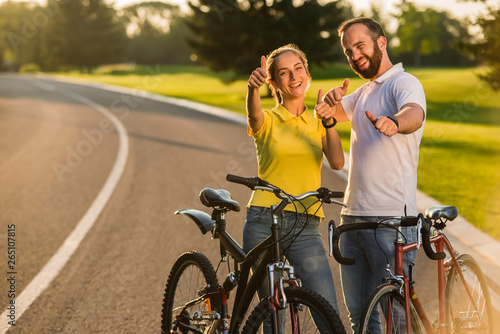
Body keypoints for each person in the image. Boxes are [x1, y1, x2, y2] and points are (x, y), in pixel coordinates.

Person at [323, 18, 426, 334]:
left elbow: (415, 113)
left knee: (396, 319)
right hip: (352, 218)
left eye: (360, 46)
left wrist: (394, 122)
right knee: (361, 318)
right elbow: (331, 116)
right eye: (348, 51)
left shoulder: (403, 83)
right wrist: (326, 108)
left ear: (381, 42)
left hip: (390, 221)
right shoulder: (364, 92)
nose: (354, 55)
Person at [242, 44, 345, 329]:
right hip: (264, 221)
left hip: (306, 226)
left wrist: (330, 121)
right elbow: (253, 116)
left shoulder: (318, 122)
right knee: (274, 314)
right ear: (273, 83)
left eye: (298, 69)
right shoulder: (269, 119)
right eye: (284, 73)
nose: (294, 76)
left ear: (307, 74)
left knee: (328, 311)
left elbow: (337, 162)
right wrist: (252, 89)